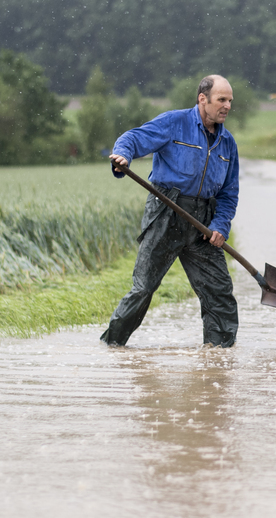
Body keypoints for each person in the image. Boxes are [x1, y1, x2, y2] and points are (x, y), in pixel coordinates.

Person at [101, 75, 241, 347]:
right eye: (221, 100)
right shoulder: (174, 122)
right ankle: (111, 348)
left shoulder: (228, 144)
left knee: (219, 293)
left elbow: (229, 192)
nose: (227, 106)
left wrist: (221, 226)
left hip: (205, 224)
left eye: (230, 101)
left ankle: (219, 359)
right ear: (203, 99)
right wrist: (123, 156)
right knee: (143, 289)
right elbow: (132, 138)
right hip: (166, 212)